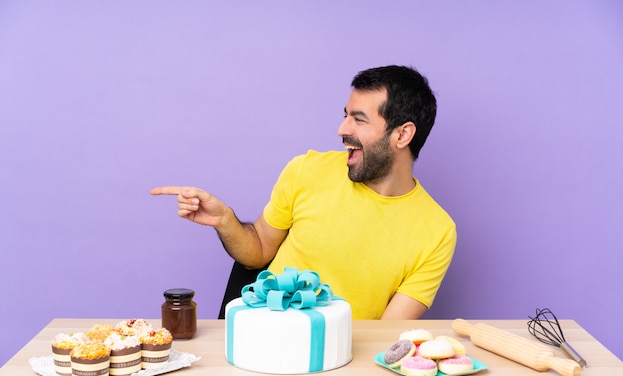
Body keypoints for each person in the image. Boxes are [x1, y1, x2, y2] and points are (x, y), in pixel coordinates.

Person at [151, 65, 456, 320]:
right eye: (345, 114)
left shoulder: (437, 232)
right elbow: (257, 252)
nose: (341, 128)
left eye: (358, 119)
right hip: (263, 340)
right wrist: (225, 220)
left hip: (339, 363)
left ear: (402, 134)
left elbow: (386, 337)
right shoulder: (307, 169)